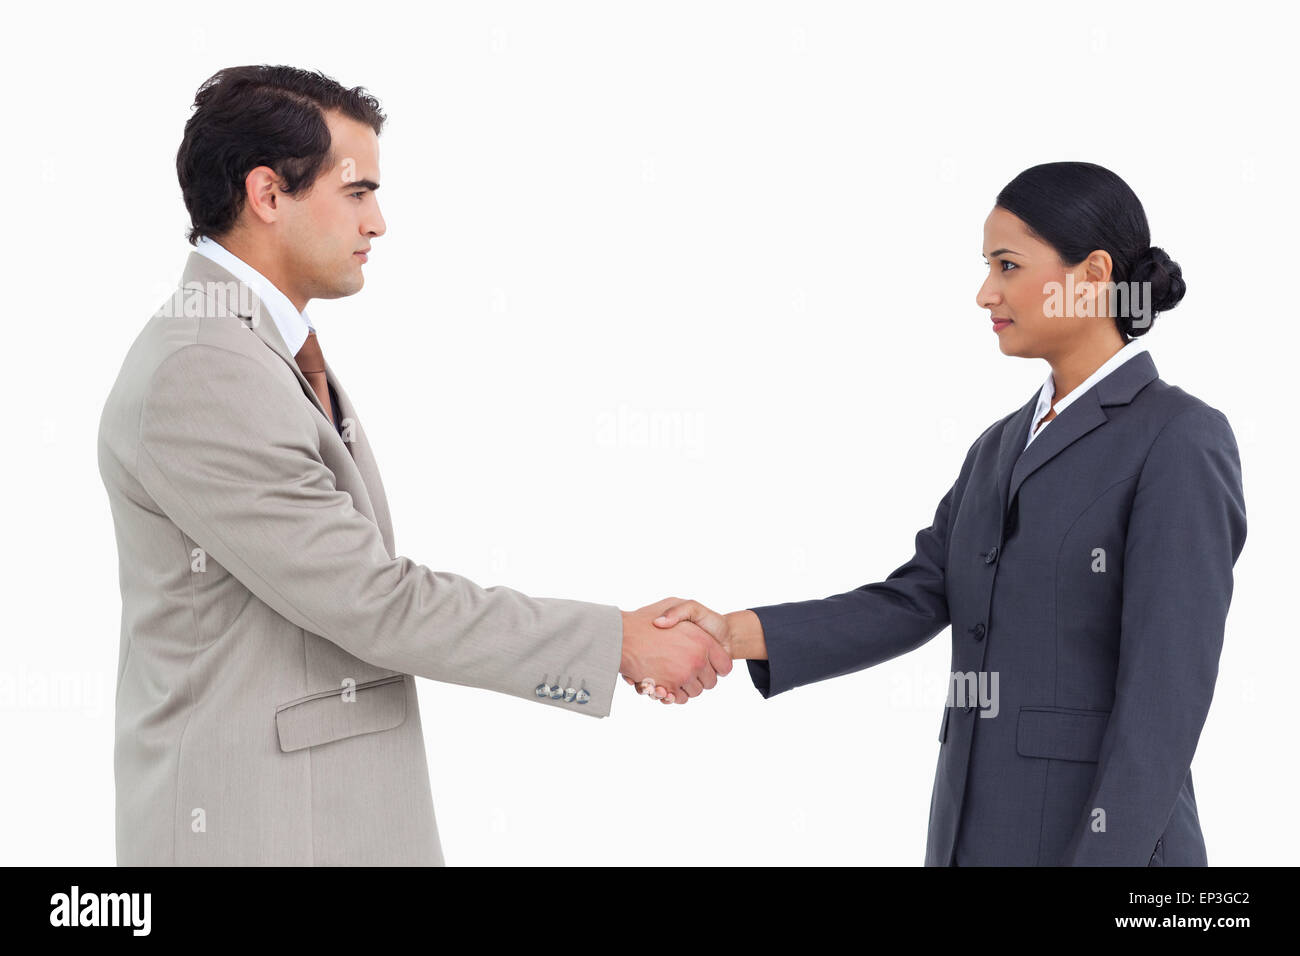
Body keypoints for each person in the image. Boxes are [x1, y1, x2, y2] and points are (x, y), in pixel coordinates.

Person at [97, 64, 728, 866]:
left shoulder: (250, 345)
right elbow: (373, 600)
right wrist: (615, 644)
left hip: (316, 816)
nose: (380, 221)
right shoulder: (204, 367)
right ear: (267, 194)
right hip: (260, 828)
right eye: (357, 191)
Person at [644, 162, 1247, 866]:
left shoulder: (1177, 437)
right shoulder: (997, 448)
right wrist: (731, 632)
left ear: (1092, 274)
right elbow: (912, 600)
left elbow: (1165, 704)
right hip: (970, 835)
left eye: (1008, 265)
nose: (986, 292)